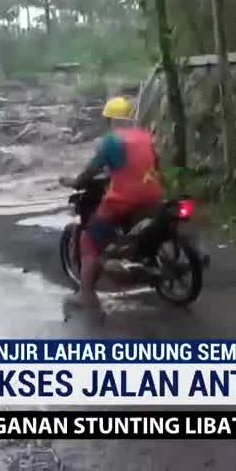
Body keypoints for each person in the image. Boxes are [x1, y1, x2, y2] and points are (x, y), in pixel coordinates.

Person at [59, 96, 164, 319]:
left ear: (110, 120)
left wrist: (74, 182)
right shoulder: (145, 137)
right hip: (154, 195)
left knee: (88, 241)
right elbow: (155, 164)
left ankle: (86, 295)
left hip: (124, 199)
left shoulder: (111, 141)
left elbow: (91, 171)